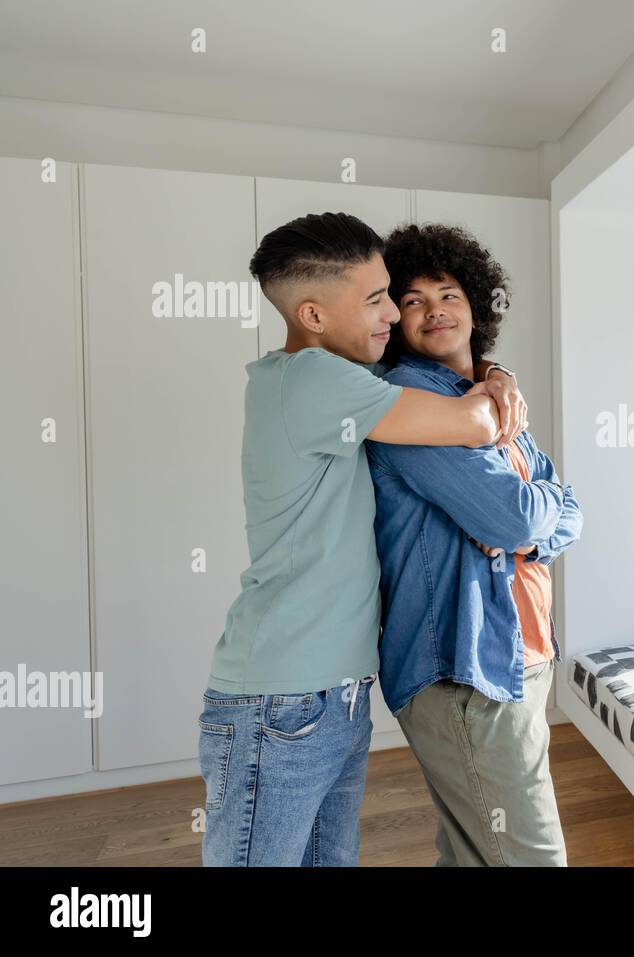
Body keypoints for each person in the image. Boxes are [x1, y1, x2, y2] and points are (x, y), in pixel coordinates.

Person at [197, 212, 528, 867]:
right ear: (314, 316)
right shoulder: (317, 380)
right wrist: (496, 384)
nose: (390, 313)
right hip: (281, 697)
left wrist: (493, 365)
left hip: (331, 694)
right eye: (377, 298)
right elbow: (473, 419)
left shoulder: (326, 382)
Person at [367, 223, 581, 866]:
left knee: (473, 850)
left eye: (449, 293)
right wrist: (543, 518)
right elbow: (518, 519)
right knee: (529, 856)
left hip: (521, 656)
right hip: (464, 670)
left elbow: (566, 511)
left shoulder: (489, 396)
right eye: (413, 300)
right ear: (396, 320)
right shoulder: (410, 404)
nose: (434, 310)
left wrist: (543, 517)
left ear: (476, 305)